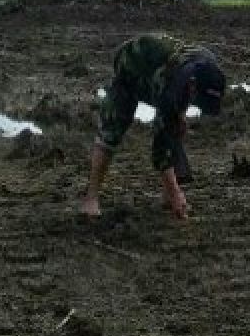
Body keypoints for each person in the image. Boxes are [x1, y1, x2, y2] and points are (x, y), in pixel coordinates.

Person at [83, 34, 226, 219]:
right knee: (111, 132)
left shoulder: (208, 69)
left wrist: (181, 115)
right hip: (131, 67)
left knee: (176, 126)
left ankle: (168, 194)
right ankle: (90, 198)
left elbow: (184, 97)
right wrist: (176, 194)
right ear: (192, 87)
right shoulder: (168, 85)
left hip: (168, 70)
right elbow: (159, 149)